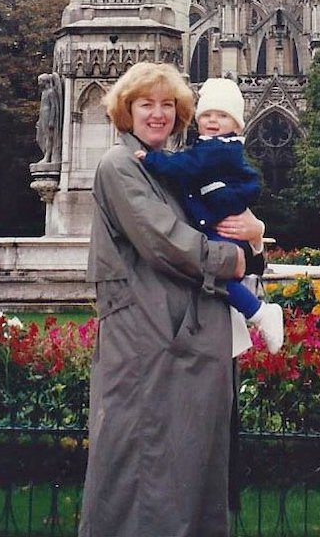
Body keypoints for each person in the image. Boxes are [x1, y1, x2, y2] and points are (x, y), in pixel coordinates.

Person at [79, 62, 265, 537]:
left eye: (168, 105)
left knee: (184, 477)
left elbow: (214, 227)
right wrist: (241, 260)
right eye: (147, 104)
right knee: (145, 479)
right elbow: (167, 243)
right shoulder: (121, 165)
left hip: (183, 344)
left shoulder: (170, 171)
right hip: (150, 343)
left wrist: (256, 237)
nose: (158, 114)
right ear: (126, 111)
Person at [135, 76, 284, 353]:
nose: (213, 121)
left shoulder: (213, 151)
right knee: (225, 276)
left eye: (222, 116)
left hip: (217, 232)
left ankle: (260, 313)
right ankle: (257, 313)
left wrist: (257, 233)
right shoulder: (126, 166)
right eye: (207, 115)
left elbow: (187, 166)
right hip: (185, 321)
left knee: (222, 273)